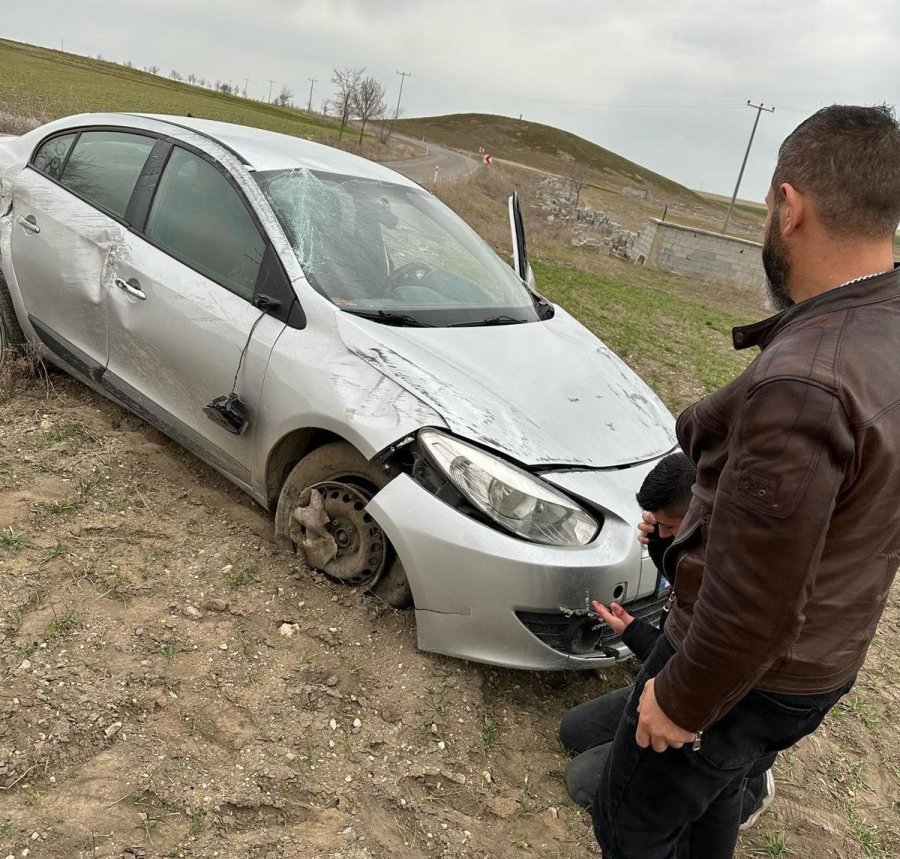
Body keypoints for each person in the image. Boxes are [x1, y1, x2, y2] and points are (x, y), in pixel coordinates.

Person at [593, 104, 900, 859]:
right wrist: (693, 521)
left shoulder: (809, 379)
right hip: (824, 656)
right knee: (718, 783)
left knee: (631, 821)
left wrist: (682, 699)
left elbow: (757, 606)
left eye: (770, 203)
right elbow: (839, 505)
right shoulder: (880, 324)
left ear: (790, 207)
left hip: (745, 672)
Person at [559, 453, 775, 829]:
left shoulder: (737, 580)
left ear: (702, 515)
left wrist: (673, 712)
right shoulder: (695, 548)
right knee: (575, 731)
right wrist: (634, 628)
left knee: (585, 783)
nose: (656, 532)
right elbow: (674, 646)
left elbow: (712, 671)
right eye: (655, 523)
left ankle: (744, 786)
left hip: (711, 716)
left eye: (668, 525)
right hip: (677, 679)